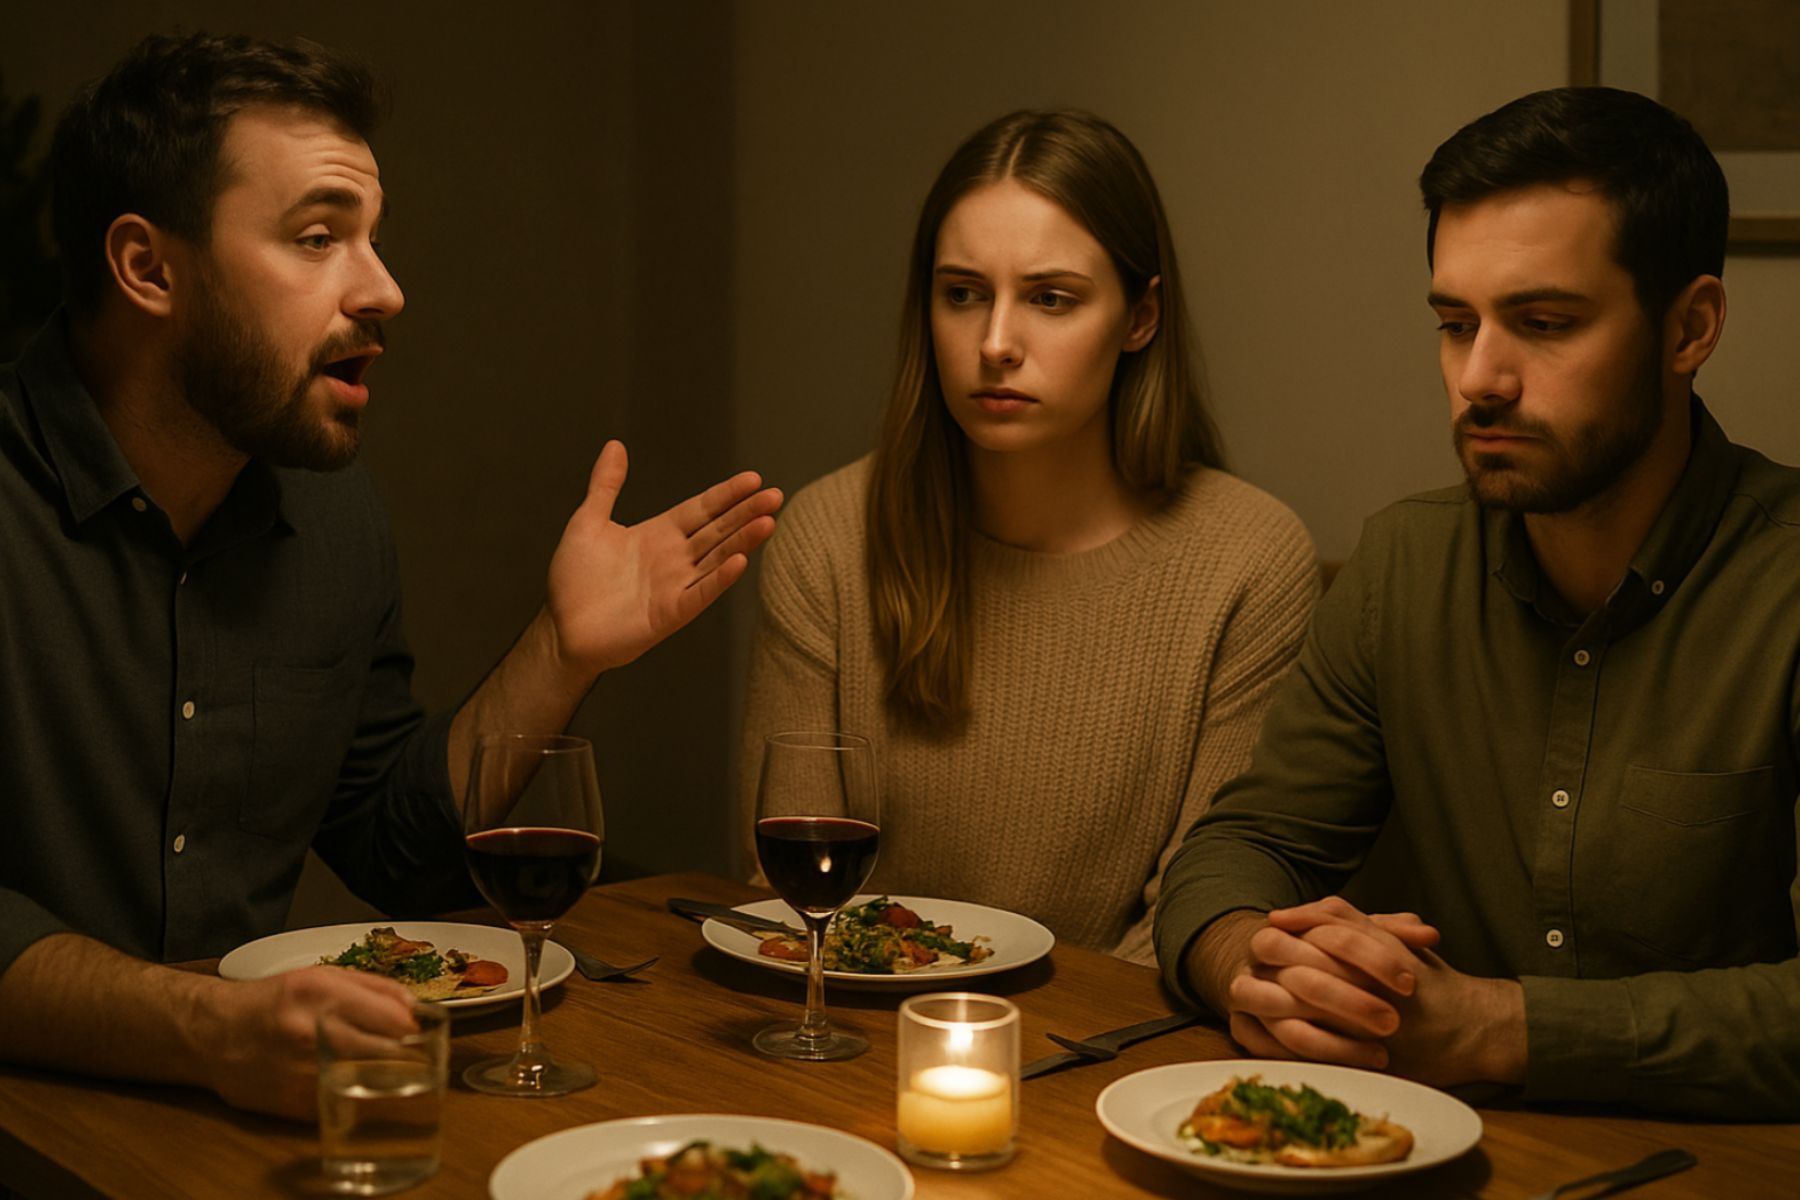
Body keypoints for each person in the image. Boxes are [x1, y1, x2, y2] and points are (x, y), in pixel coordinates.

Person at [0, 32, 781, 1120]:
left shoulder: (325, 516)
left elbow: (392, 843)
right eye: (319, 237)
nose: (386, 289)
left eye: (372, 237)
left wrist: (559, 652)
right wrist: (204, 1029)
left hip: (247, 1129)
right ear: (147, 268)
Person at [1155, 86, 1800, 1120]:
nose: (1480, 378)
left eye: (1544, 323)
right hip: (1427, 1154)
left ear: (1690, 328)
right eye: (1456, 324)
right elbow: (1246, 843)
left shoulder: (1784, 587)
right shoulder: (1406, 561)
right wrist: (1258, 964)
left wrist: (1494, 1027)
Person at [738, 110, 1318, 964]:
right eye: (963, 294)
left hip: (1109, 1064)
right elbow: (783, 895)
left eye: (1050, 299)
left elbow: (1193, 925)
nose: (996, 344)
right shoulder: (831, 538)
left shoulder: (1247, 559)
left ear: (1140, 317)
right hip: (857, 1037)